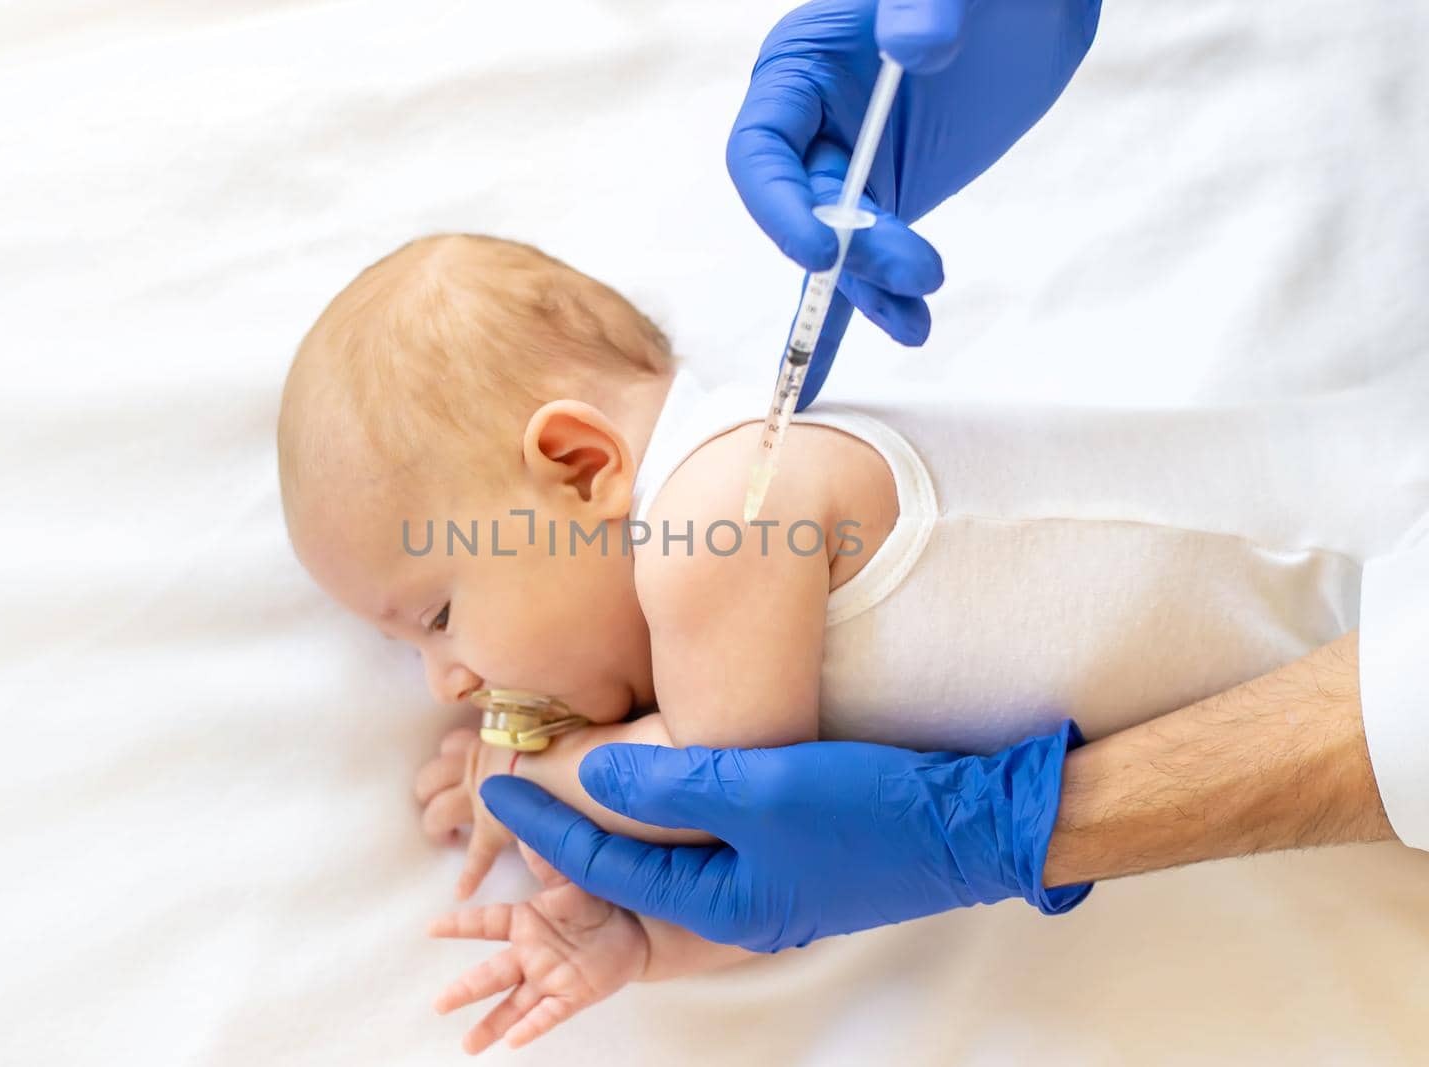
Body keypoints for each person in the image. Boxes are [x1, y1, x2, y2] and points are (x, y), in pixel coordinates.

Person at [477, 0, 1429, 956]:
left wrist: (531, 761)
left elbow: (723, 795)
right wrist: (643, 950)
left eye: (436, 612)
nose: (448, 677)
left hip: (1377, 563)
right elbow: (796, 871)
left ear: (578, 464)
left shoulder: (717, 514)